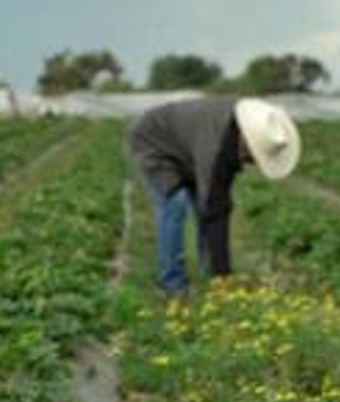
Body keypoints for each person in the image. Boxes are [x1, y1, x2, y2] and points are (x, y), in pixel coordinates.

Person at [128, 96, 301, 298]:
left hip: (188, 145)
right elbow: (215, 211)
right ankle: (173, 285)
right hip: (154, 140)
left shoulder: (233, 133)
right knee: (175, 206)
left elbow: (217, 202)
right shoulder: (217, 146)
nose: (252, 162)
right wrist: (224, 275)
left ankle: (209, 274)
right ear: (247, 140)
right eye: (254, 155)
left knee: (206, 205)